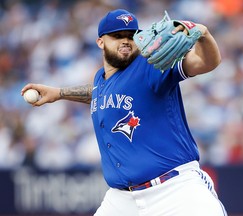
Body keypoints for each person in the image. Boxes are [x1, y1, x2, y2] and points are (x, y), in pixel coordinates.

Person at [22, 9, 227, 216]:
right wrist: (59, 93)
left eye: (131, 36)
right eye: (117, 36)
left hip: (174, 190)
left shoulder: (152, 65)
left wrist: (202, 33)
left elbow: (206, 62)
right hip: (121, 200)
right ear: (100, 42)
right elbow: (99, 95)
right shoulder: (101, 79)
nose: (126, 41)